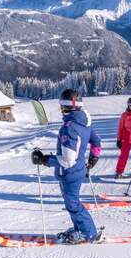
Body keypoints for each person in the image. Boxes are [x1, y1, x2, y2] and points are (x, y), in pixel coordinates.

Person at [32, 89, 102, 244]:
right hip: (77, 170)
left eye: (61, 106)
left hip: (70, 172)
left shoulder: (69, 127)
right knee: (71, 202)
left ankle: (88, 233)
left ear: (66, 107)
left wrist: (44, 159)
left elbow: (67, 160)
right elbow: (96, 142)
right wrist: (92, 159)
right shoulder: (85, 122)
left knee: (73, 204)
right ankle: (80, 229)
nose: (60, 109)